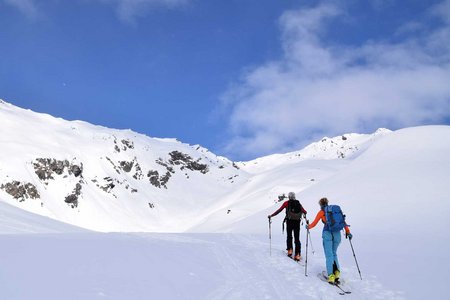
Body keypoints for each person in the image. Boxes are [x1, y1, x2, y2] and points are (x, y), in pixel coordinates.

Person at [306, 197, 353, 284]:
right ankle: (337, 272)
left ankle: (331, 275)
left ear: (320, 204)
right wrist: (348, 232)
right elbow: (343, 222)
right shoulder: (334, 211)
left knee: (329, 255)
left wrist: (308, 227)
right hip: (337, 234)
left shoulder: (321, 212)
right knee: (334, 253)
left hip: (327, 233)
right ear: (327, 203)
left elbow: (314, 223)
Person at [268, 192, 307, 261]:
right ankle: (297, 254)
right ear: (294, 196)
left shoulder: (286, 203)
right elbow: (305, 211)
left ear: (289, 197)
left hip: (289, 222)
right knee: (297, 238)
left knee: (289, 236)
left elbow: (279, 210)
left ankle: (290, 250)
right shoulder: (298, 203)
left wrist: (271, 215)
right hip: (297, 223)